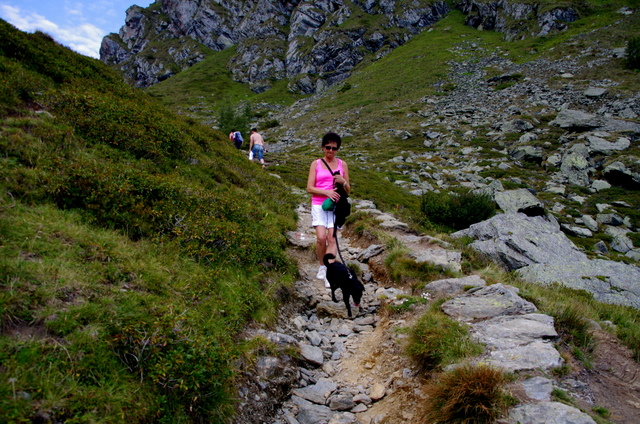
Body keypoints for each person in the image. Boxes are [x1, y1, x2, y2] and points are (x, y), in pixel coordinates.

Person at [306, 132, 350, 287]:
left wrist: (343, 182)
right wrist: (327, 192)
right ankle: (322, 265)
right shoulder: (316, 164)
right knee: (321, 238)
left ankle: (329, 271)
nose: (331, 151)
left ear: (337, 149)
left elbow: (348, 190)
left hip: (335, 206)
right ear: (323, 147)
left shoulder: (342, 164)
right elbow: (309, 188)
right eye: (328, 147)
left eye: (334, 148)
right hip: (319, 204)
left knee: (332, 238)